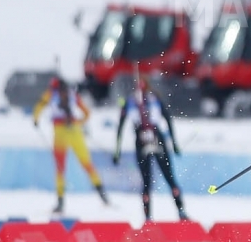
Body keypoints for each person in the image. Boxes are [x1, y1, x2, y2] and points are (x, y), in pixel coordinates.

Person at [113, 73, 188, 222]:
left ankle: (155, 216)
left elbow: (120, 127)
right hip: (155, 138)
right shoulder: (147, 99)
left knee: (152, 181)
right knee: (165, 178)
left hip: (144, 139)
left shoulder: (135, 100)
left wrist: (118, 151)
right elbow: (168, 119)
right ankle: (177, 213)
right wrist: (173, 143)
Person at [32, 76, 109, 214]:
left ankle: (60, 202)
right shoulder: (72, 94)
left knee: (60, 169)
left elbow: (39, 106)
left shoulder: (51, 94)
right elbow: (86, 112)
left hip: (60, 132)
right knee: (87, 164)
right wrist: (79, 122)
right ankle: (103, 196)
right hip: (75, 131)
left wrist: (36, 120)